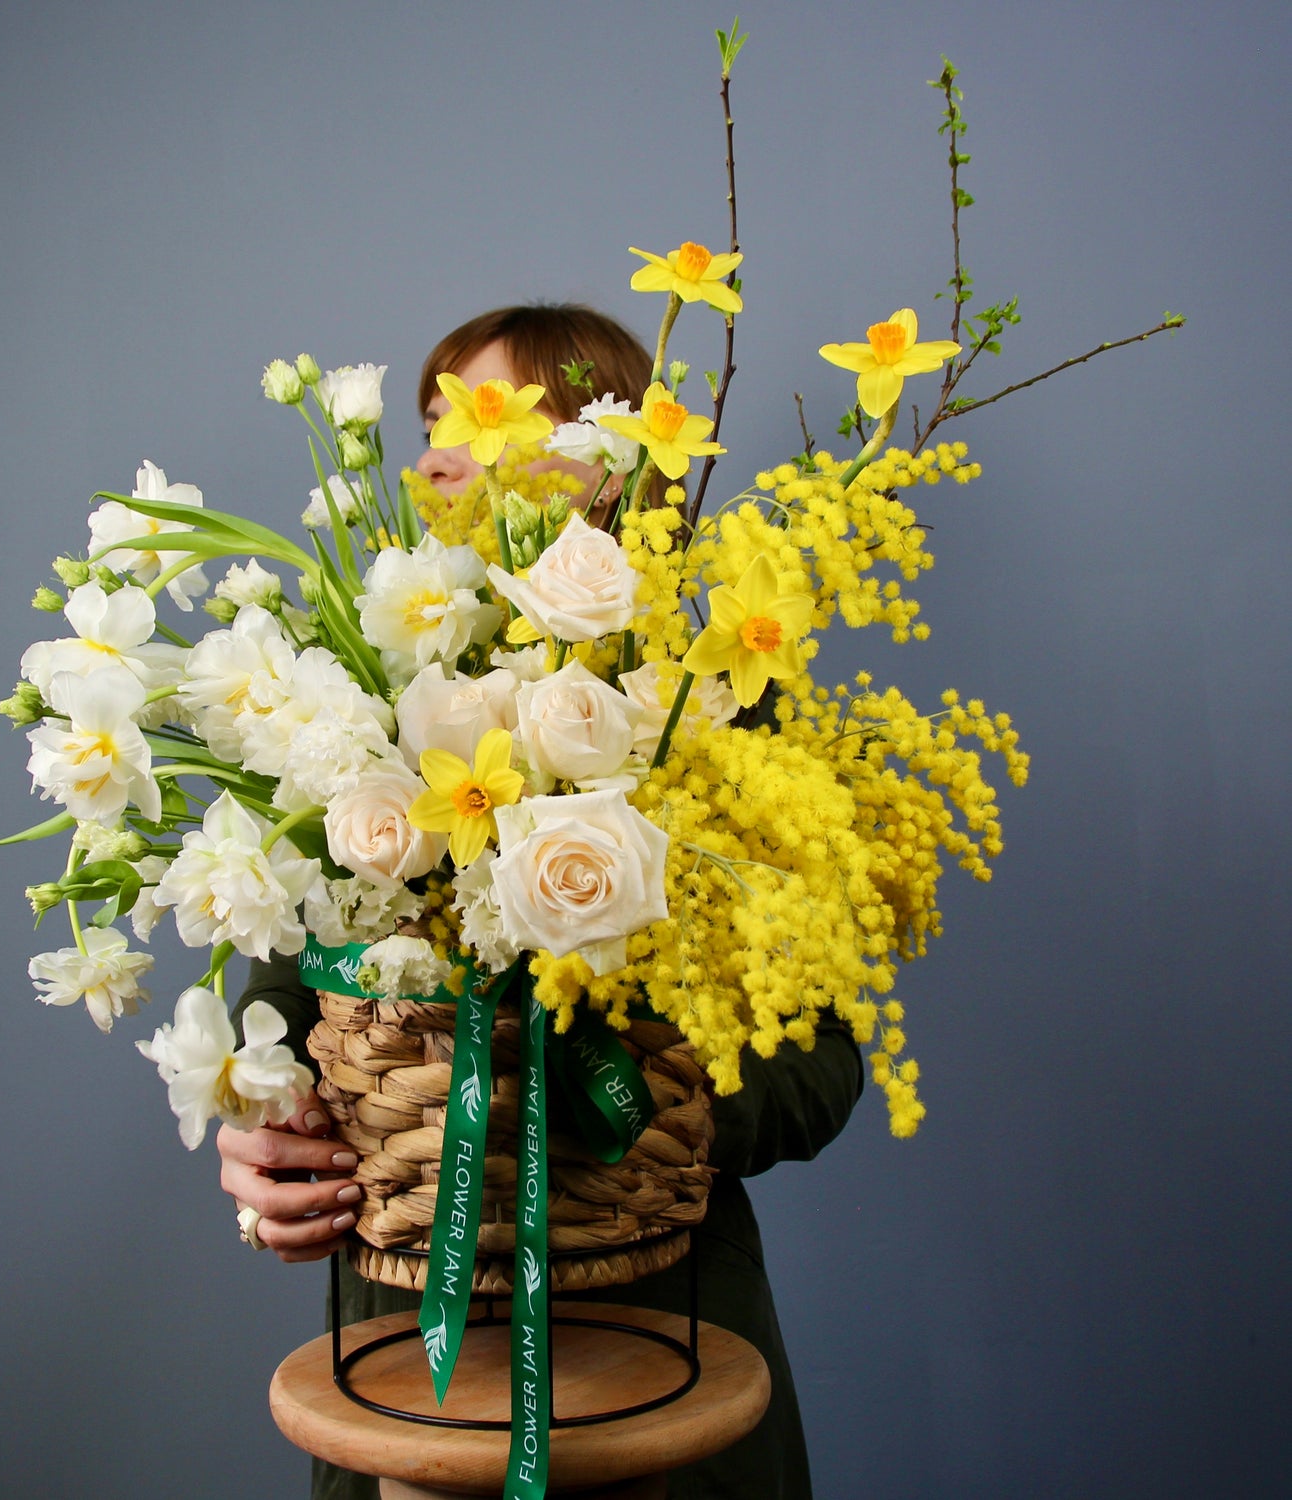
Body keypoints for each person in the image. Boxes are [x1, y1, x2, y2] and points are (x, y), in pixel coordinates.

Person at [217, 304, 865, 1499]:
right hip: (406, 1356)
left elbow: (822, 1066)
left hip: (665, 1346)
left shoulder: (719, 705)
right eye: (429, 420)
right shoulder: (345, 708)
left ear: (609, 462)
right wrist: (266, 1143)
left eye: (486, 413)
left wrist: (645, 1105)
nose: (437, 455)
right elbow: (280, 1019)